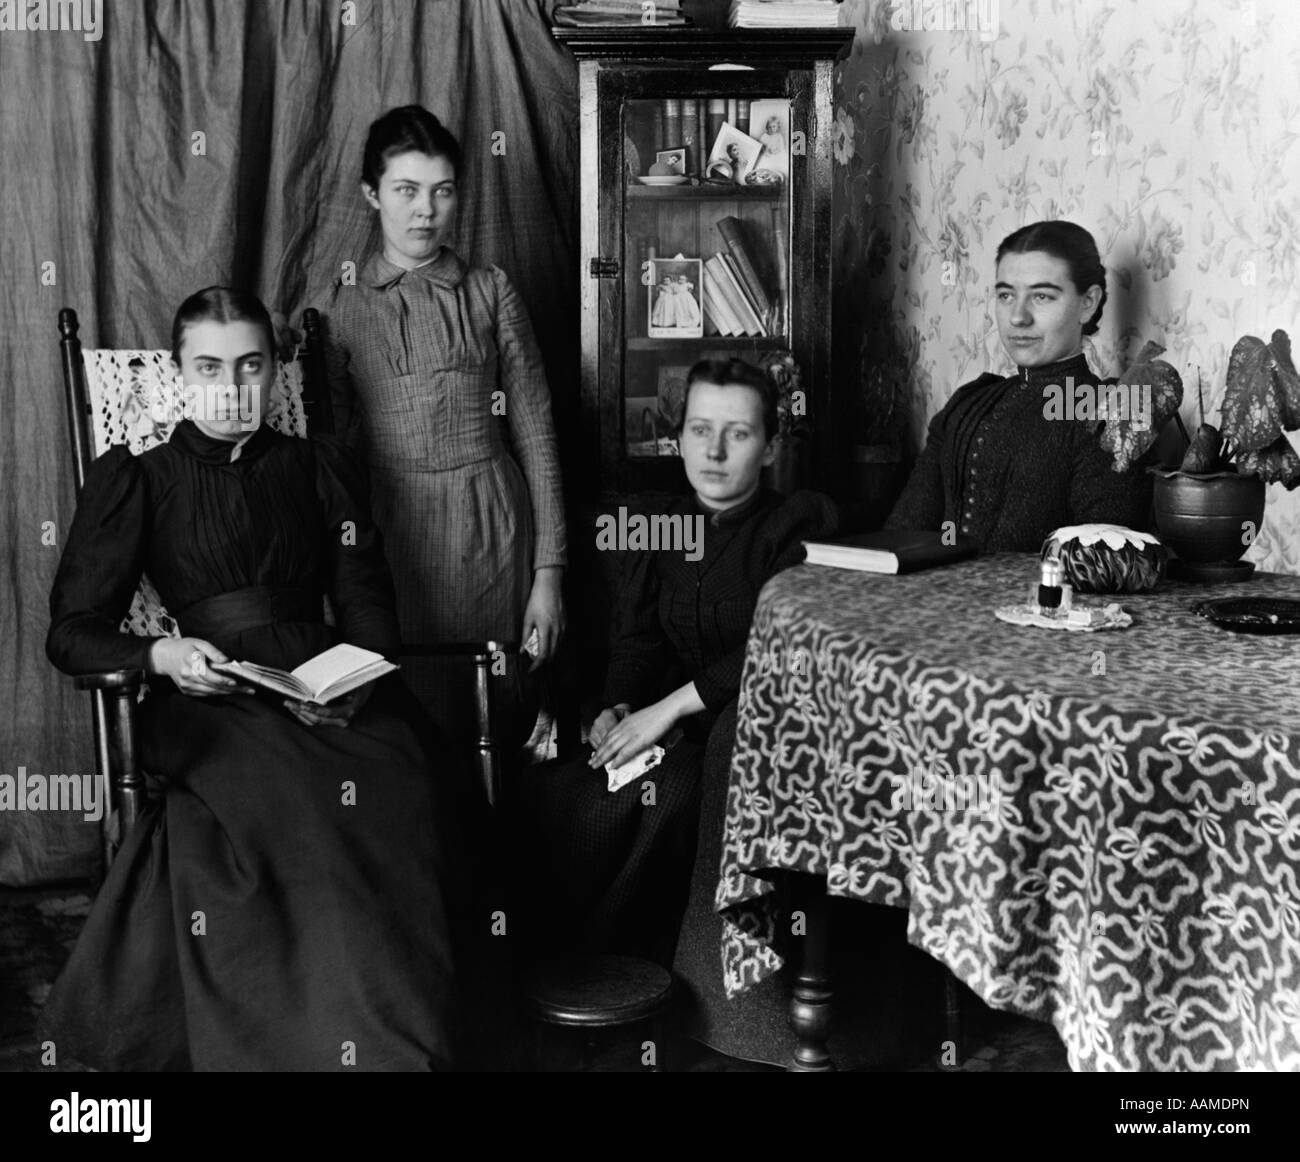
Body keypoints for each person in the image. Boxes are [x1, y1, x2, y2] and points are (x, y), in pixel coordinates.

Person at [41, 288, 460, 1071]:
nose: (231, 386)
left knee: (398, 784)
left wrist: (360, 676)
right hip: (213, 688)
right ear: (178, 374)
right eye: (208, 367)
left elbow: (366, 595)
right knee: (298, 803)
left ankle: (403, 1039)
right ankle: (320, 1044)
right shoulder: (140, 476)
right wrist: (162, 656)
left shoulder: (315, 466)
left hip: (330, 678)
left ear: (273, 373)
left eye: (250, 366)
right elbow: (71, 632)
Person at [519, 358, 837, 965]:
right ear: (679, 435)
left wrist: (662, 713)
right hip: (671, 725)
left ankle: (615, 966)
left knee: (671, 795)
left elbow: (780, 645)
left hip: (752, 736)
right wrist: (618, 706)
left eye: (738, 433)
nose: (714, 450)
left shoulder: (790, 529)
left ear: (769, 448)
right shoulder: (660, 527)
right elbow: (639, 641)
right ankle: (573, 967)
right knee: (560, 793)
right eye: (699, 429)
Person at [324, 105, 566, 743]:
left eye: (442, 190)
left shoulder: (491, 292)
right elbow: (331, 463)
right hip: (391, 537)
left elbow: (538, 436)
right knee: (403, 727)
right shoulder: (341, 309)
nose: (425, 210)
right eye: (406, 191)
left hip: (489, 530)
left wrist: (550, 576)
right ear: (371, 195)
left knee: (490, 717)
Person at [885, 220, 1153, 550]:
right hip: (935, 598)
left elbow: (1102, 561)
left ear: (1088, 303)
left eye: (1041, 296)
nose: (1017, 317)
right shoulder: (969, 403)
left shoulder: (1110, 408)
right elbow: (902, 536)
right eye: (1006, 295)